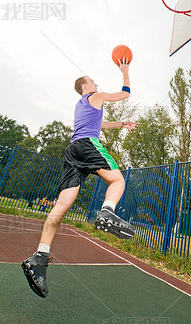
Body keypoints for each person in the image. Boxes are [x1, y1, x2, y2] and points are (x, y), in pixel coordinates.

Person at [22, 58, 138, 298]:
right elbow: (125, 94)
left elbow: (100, 124)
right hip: (87, 145)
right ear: (85, 87)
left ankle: (39, 258)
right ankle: (107, 212)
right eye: (92, 81)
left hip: (73, 150)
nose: (96, 82)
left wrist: (121, 123)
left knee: (61, 207)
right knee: (117, 181)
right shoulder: (96, 96)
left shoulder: (83, 106)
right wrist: (125, 72)